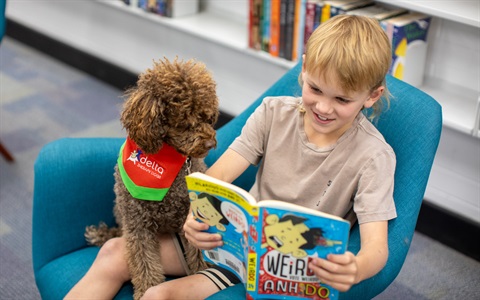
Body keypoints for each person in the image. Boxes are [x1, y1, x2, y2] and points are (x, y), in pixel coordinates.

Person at [65, 14, 396, 300]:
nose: (323, 107)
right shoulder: (272, 113)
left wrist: (355, 268)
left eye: (341, 99)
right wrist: (197, 212)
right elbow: (214, 179)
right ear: (304, 69)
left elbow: (377, 250)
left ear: (371, 96)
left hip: (295, 275)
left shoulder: (374, 156)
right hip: (236, 251)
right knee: (137, 277)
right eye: (316, 89)